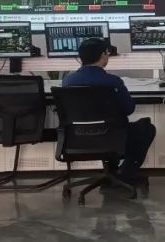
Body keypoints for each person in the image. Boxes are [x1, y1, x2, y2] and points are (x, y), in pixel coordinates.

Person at [62, 38, 156, 182]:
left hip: (79, 137)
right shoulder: (113, 81)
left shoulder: (68, 82)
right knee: (146, 128)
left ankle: (112, 172)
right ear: (103, 55)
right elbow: (129, 109)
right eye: (107, 53)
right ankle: (125, 173)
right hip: (113, 136)